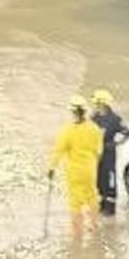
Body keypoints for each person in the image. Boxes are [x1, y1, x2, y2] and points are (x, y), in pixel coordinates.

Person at [47, 95, 103, 233]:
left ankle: (77, 231)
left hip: (74, 172)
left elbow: (58, 151)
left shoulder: (68, 131)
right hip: (90, 170)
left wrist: (51, 168)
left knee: (75, 202)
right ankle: (94, 225)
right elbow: (99, 151)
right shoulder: (94, 128)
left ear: (73, 112)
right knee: (92, 196)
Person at [90, 89, 129, 218]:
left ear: (103, 104)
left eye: (97, 103)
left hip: (108, 153)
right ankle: (101, 203)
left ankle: (110, 207)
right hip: (96, 153)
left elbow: (127, 132)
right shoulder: (94, 118)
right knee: (98, 179)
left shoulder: (115, 119)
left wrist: (116, 143)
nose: (95, 106)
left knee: (109, 179)